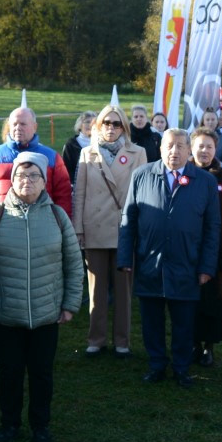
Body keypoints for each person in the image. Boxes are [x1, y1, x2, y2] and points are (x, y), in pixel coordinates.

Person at [0, 150, 83, 442]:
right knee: (10, 373)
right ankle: (9, 424)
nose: (27, 181)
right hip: (6, 315)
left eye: (34, 176)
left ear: (45, 182)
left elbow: (73, 262)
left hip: (47, 314)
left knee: (42, 374)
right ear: (11, 179)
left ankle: (40, 426)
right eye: (21, 174)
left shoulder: (58, 217)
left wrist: (70, 304)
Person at [118, 129, 221, 387]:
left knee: (184, 323)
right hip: (150, 263)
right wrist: (125, 258)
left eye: (180, 146)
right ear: (160, 149)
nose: (174, 151)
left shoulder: (205, 182)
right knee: (151, 321)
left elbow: (212, 227)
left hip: (187, 264)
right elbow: (128, 220)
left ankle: (182, 368)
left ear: (189, 151)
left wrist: (207, 265)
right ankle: (156, 365)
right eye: (169, 146)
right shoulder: (141, 175)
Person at [72, 105, 146, 358]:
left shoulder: (138, 153)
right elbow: (79, 194)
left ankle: (122, 341)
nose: (111, 128)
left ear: (124, 127)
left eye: (116, 124)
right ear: (98, 125)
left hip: (125, 229)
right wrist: (78, 228)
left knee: (124, 290)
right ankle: (96, 338)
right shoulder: (86, 154)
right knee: (96, 289)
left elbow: (143, 195)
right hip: (95, 228)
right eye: (106, 123)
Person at [191, 127, 222, 367]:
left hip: (218, 251)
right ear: (192, 148)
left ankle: (208, 347)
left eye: (209, 147)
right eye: (200, 146)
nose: (204, 151)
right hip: (189, 249)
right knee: (191, 300)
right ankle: (192, 344)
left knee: (215, 300)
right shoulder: (184, 173)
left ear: (216, 149)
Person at [0, 107, 72, 225]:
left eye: (23, 124)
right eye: (14, 124)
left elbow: (63, 197)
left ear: (35, 127)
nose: (18, 128)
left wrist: (61, 226)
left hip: (42, 226)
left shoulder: (52, 157)